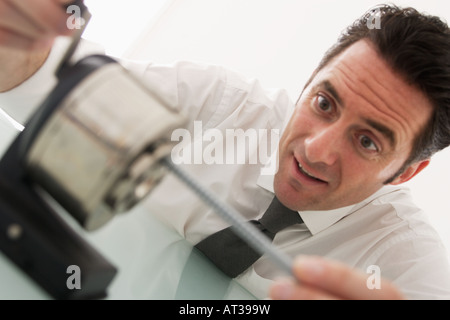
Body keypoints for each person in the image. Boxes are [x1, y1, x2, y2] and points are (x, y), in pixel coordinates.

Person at [0, 1, 449, 300]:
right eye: (324, 103)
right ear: (309, 80)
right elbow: (52, 88)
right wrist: (19, 40)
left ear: (404, 172)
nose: (316, 150)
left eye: (367, 141)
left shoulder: (408, 268)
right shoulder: (220, 103)